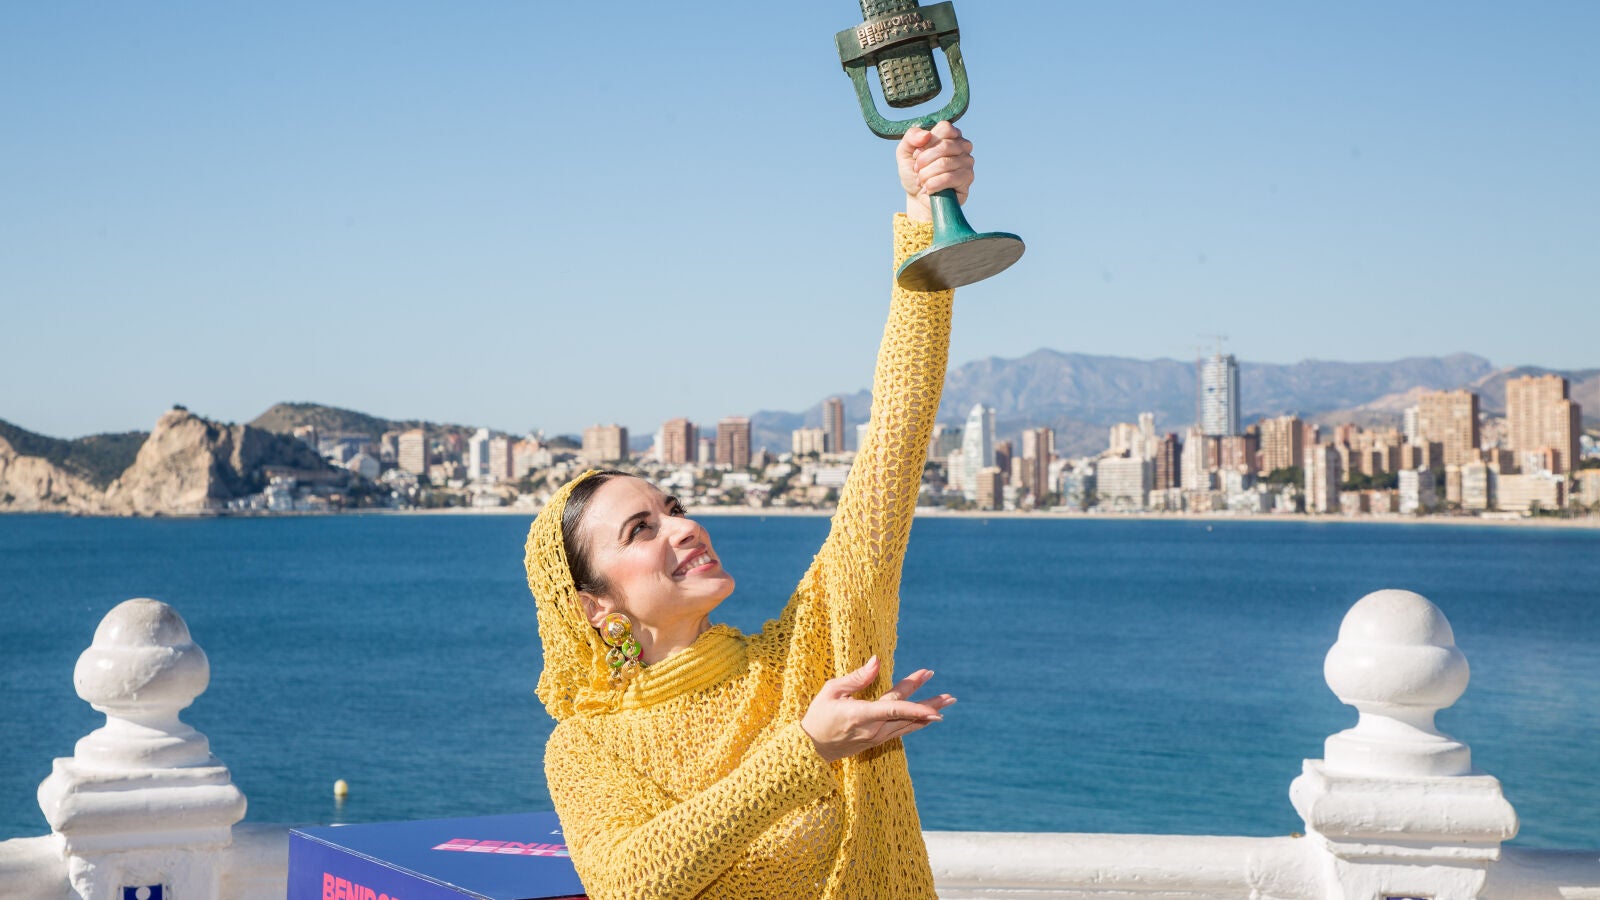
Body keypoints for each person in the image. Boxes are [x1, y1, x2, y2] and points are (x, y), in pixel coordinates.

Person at [524, 121, 974, 899]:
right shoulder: (588, 748)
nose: (684, 526)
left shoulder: (809, 657)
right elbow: (631, 884)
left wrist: (923, 219)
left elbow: (893, 445)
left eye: (673, 507)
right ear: (594, 606)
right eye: (641, 530)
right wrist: (807, 749)